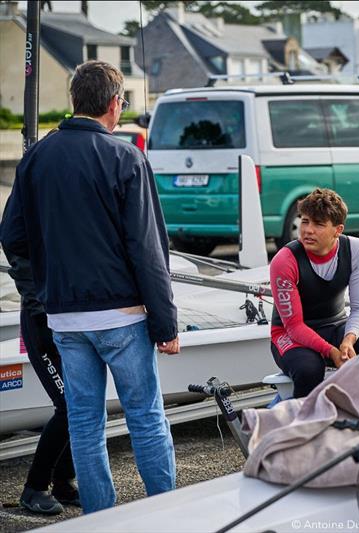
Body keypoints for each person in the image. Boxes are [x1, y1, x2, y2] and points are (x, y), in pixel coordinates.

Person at [0, 60, 179, 514]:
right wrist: (165, 322)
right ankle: (170, 512)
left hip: (63, 317)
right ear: (114, 103)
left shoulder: (36, 157)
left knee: (84, 422)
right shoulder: (126, 158)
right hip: (121, 315)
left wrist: (40, 289)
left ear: (76, 99)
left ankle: (100, 517)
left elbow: (12, 235)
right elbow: (148, 249)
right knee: (145, 418)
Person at [270, 188, 359, 398]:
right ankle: (305, 424)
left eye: (318, 224)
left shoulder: (356, 249)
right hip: (289, 334)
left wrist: (348, 341)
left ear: (338, 230)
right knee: (309, 369)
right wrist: (331, 351)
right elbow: (294, 326)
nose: (308, 230)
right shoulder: (284, 260)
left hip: (335, 326)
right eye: (304, 221)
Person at [4, 251, 78, 515]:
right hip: (42, 320)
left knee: (85, 405)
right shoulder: (29, 207)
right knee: (69, 406)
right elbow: (18, 253)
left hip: (71, 317)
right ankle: (34, 487)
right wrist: (38, 313)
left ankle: (62, 482)